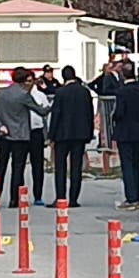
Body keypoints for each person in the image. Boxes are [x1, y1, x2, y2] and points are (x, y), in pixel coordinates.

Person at [0, 68, 51, 208]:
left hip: (3, 135)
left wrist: (0, 126)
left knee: (1, 167)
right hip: (19, 136)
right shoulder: (23, 95)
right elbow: (41, 111)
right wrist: (52, 104)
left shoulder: (1, 93)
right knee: (18, 168)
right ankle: (14, 200)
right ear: (24, 81)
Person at [48, 65, 94, 207]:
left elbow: (56, 114)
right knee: (76, 167)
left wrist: (51, 134)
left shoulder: (60, 92)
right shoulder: (84, 92)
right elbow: (89, 114)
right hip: (80, 134)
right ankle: (74, 199)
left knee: (60, 167)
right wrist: (89, 133)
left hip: (62, 135)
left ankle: (60, 197)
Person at [110, 63, 139, 211]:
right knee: (135, 163)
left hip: (125, 129)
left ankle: (131, 197)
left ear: (122, 75)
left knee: (127, 165)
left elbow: (119, 112)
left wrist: (113, 117)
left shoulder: (122, 91)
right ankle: (137, 196)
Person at [27, 74, 51, 205]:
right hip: (22, 132)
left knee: (37, 165)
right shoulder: (19, 94)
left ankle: (38, 195)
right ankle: (18, 194)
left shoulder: (40, 96)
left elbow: (46, 113)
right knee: (18, 165)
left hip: (36, 131)